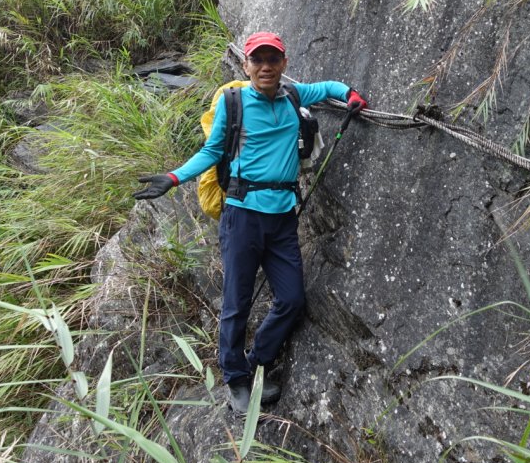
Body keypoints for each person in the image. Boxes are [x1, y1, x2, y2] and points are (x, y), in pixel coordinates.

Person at [133, 31, 366, 414]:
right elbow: (212, 150)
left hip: (282, 219)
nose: (265, 66)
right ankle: (236, 379)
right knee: (236, 302)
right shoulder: (234, 102)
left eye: (273, 59)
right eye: (258, 60)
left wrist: (351, 94)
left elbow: (329, 87)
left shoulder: (294, 96)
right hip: (242, 216)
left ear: (284, 64)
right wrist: (174, 178)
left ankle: (257, 361)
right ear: (246, 65)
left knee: (291, 299)